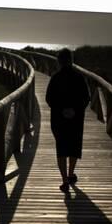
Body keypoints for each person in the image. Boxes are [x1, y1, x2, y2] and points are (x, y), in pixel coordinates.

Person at [45, 48, 91, 193]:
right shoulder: (79, 77)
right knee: (73, 147)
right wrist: (75, 111)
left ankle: (65, 180)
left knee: (61, 149)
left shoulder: (55, 78)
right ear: (71, 60)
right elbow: (86, 98)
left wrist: (62, 110)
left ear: (59, 61)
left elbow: (49, 98)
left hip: (59, 119)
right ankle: (71, 174)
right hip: (76, 119)